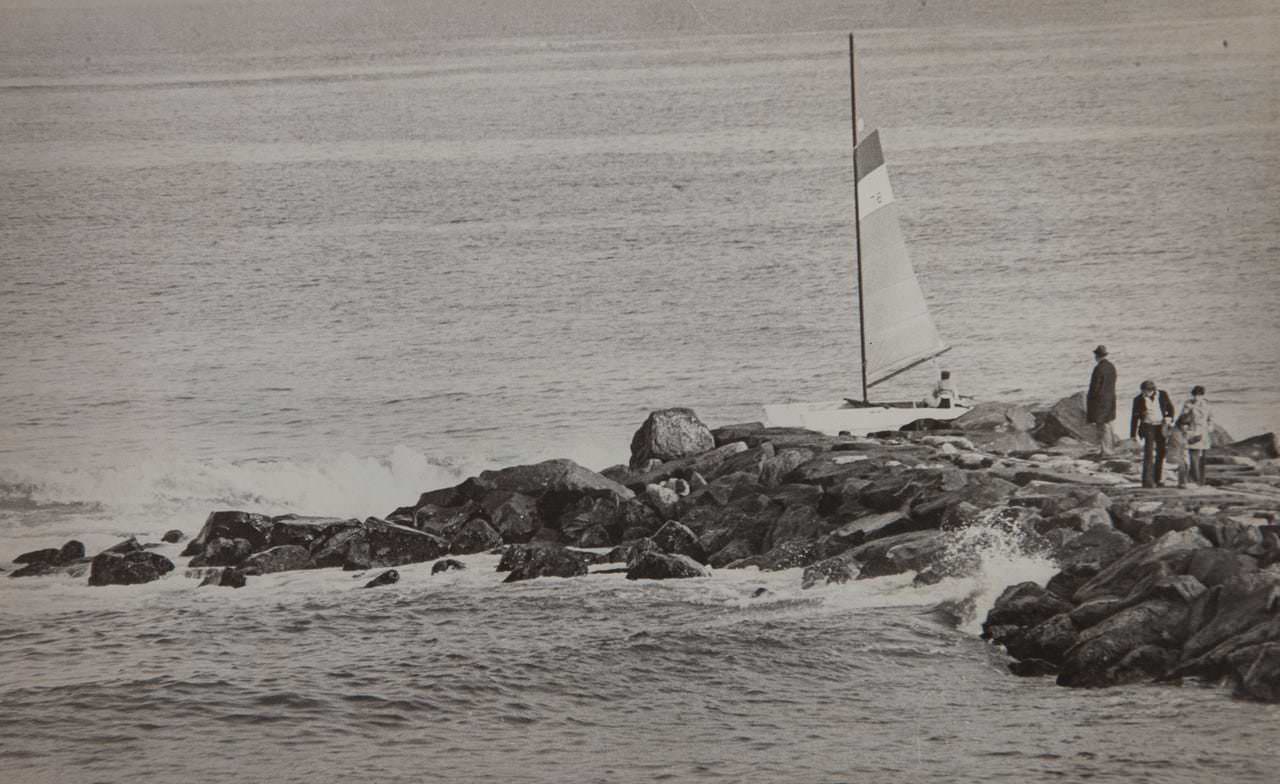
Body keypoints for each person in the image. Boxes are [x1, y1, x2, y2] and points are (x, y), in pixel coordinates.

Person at [1130, 379, 1175, 488]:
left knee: (1161, 452)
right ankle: (1147, 481)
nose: (1144, 393)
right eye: (1143, 391)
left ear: (1152, 390)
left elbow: (1171, 408)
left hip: (1161, 426)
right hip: (1148, 426)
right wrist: (1133, 434)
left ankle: (1158, 478)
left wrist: (1169, 418)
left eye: (1146, 391)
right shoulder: (1138, 399)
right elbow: (1135, 418)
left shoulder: (1162, 394)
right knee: (1148, 453)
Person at [1086, 345, 1117, 456]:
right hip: (1111, 400)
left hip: (1100, 401)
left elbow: (1095, 387)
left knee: (1101, 426)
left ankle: (1105, 450)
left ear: (1097, 356)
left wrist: (1090, 399)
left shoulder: (1098, 368)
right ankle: (1111, 448)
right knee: (1108, 424)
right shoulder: (1112, 367)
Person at [1181, 385, 1213, 485]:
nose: (1196, 398)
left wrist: (1210, 426)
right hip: (1193, 431)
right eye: (1195, 395)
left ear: (1202, 396)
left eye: (1199, 395)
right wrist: (1185, 429)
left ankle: (1201, 480)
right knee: (1193, 456)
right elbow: (1183, 419)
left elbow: (1210, 418)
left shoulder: (1207, 405)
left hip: (1203, 432)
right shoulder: (1188, 404)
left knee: (1203, 457)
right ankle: (1195, 479)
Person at [1166, 414, 1191, 489]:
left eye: (1187, 425)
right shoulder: (1175, 432)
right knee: (1183, 465)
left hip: (1179, 453)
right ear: (1180, 424)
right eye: (1184, 424)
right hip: (1174, 454)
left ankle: (1183, 482)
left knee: (1186, 464)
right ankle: (1182, 483)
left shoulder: (1182, 432)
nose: (1186, 427)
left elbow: (1184, 444)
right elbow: (1181, 443)